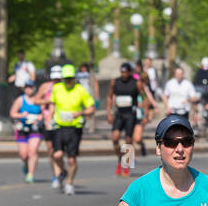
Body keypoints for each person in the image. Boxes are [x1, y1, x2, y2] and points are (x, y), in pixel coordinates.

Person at [45, 64, 96, 195]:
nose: (67, 81)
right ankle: (62, 171)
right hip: (59, 126)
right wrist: (48, 119)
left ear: (74, 78)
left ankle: (69, 182)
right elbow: (52, 104)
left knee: (72, 159)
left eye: (70, 78)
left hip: (74, 128)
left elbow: (91, 107)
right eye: (65, 78)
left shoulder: (80, 90)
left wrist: (81, 113)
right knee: (57, 154)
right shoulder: (57, 88)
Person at [107, 62, 149, 177]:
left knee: (128, 141)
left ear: (130, 72)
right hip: (119, 114)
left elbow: (145, 98)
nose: (123, 74)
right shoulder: (115, 82)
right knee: (114, 138)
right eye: (122, 72)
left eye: (126, 72)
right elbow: (109, 97)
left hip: (131, 114)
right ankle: (120, 160)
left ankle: (127, 166)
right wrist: (108, 112)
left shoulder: (136, 83)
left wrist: (145, 114)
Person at [10, 81, 46, 182]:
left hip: (35, 129)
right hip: (22, 128)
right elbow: (12, 113)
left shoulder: (39, 99)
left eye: (30, 87)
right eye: (26, 87)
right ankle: (26, 164)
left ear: (34, 88)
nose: (28, 89)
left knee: (32, 151)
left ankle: (30, 174)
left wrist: (40, 117)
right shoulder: (20, 100)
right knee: (23, 155)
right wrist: (21, 115)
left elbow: (45, 112)